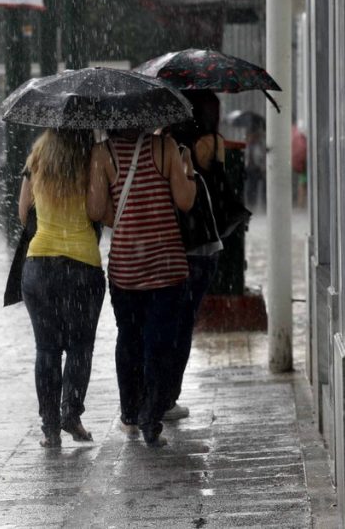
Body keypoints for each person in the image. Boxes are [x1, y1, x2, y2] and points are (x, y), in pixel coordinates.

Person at [87, 127, 196, 448]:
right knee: (160, 342)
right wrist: (187, 167)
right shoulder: (165, 147)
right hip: (166, 262)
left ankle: (130, 413)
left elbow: (95, 210)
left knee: (129, 338)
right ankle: (152, 415)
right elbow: (185, 201)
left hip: (126, 266)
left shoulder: (102, 153)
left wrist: (124, 220)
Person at [16, 129, 106, 448]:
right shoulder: (92, 157)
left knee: (47, 349)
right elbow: (97, 211)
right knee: (80, 347)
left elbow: (23, 210)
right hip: (81, 266)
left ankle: (50, 428)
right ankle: (71, 413)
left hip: (39, 266)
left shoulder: (38, 156)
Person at [162, 91, 226, 421]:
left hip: (172, 241)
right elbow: (221, 187)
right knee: (184, 325)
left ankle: (156, 393)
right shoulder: (213, 143)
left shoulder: (168, 145)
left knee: (165, 322)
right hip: (204, 242)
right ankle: (169, 394)